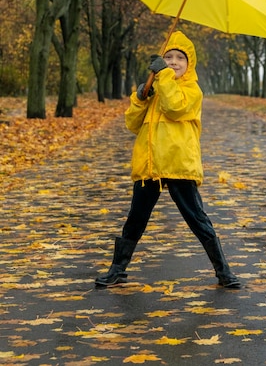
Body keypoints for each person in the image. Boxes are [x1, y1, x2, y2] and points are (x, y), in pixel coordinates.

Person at [95, 30, 241, 289]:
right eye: (168, 57)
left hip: (178, 164)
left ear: (189, 65)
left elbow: (175, 108)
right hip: (150, 164)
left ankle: (223, 271)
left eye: (180, 59)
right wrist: (140, 99)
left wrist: (162, 76)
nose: (174, 62)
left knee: (196, 217)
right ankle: (117, 269)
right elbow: (132, 124)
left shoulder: (192, 90)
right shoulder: (156, 88)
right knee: (135, 218)